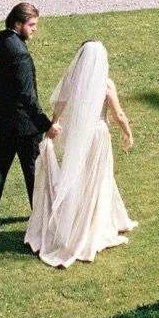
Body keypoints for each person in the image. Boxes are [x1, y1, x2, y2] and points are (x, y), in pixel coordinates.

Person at [25, 39, 136, 269]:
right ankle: (93, 225)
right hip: (97, 136)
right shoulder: (105, 85)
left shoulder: (73, 81)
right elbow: (118, 114)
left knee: (78, 177)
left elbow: (59, 106)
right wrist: (128, 133)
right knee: (96, 179)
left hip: (79, 134)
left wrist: (53, 125)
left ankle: (81, 220)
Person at [0, 2, 57, 233]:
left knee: (0, 165)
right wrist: (46, 124)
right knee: (34, 171)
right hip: (25, 124)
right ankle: (42, 220)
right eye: (31, 25)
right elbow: (28, 95)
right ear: (17, 23)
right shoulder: (20, 53)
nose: (34, 29)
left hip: (4, 116)